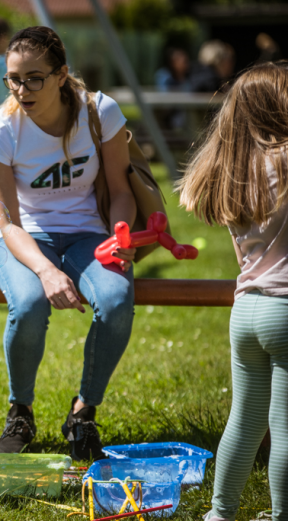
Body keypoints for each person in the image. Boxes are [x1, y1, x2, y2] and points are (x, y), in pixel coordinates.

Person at [0, 26, 136, 460]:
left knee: (117, 299)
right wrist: (46, 271)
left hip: (90, 234)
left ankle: (83, 412)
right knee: (28, 304)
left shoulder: (100, 111)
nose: (21, 89)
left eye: (34, 78)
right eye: (13, 78)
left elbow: (121, 190)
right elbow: (7, 223)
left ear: (62, 75)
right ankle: (20, 410)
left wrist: (121, 236)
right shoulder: (1, 131)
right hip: (27, 238)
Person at [179, 61, 288, 521]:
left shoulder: (232, 170)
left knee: (243, 422)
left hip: (245, 312)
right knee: (284, 427)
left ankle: (220, 512)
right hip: (285, 310)